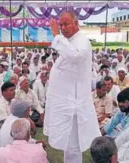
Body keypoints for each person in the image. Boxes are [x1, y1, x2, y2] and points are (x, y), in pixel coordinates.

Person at [44, 11, 101, 163]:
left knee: (73, 146)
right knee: (68, 146)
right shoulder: (70, 42)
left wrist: (56, 36)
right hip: (67, 104)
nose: (62, 27)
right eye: (60, 25)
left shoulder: (82, 41)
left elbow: (75, 56)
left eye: (66, 24)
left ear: (76, 24)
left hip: (74, 105)